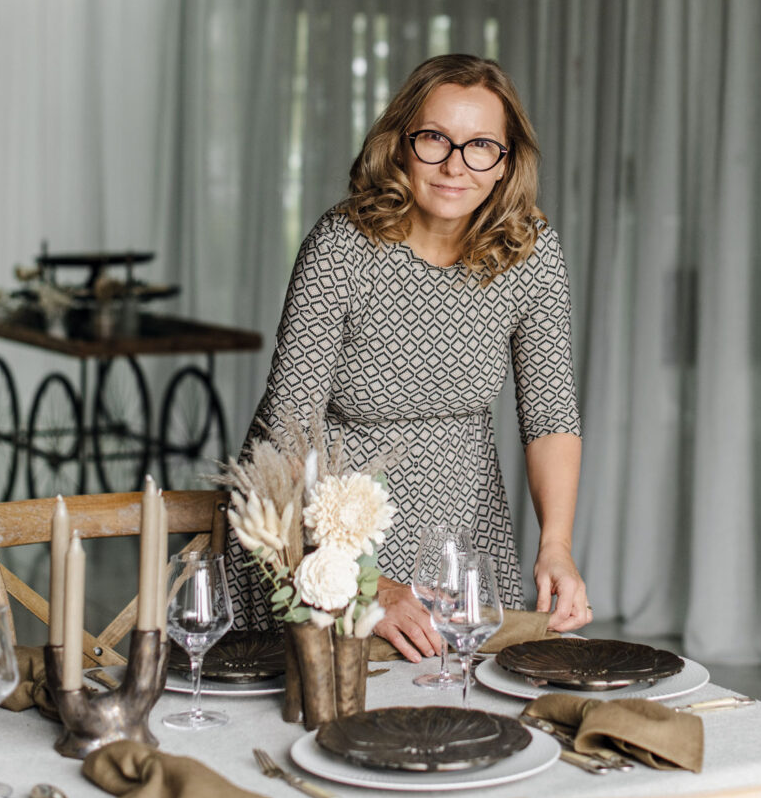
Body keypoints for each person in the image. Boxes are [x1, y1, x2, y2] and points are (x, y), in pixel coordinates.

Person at [227, 53, 589, 661]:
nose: (456, 165)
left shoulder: (531, 251)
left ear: (506, 163)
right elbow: (286, 438)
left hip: (462, 539)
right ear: (399, 144)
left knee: (462, 721)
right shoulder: (341, 247)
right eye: (435, 139)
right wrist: (364, 583)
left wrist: (557, 545)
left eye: (480, 146)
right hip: (323, 546)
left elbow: (551, 416)